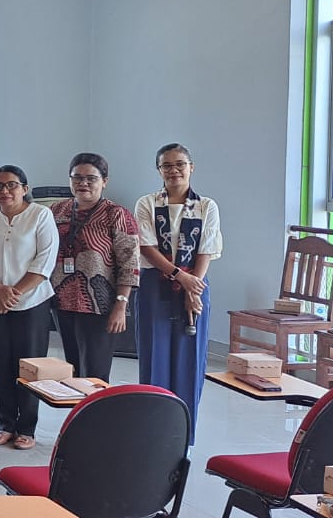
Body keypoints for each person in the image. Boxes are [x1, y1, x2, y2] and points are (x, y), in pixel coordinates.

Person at [134, 143, 221, 443]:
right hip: (156, 284)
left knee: (189, 358)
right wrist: (179, 276)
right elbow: (146, 246)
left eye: (179, 164)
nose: (174, 171)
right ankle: (153, 431)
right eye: (166, 166)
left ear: (191, 167)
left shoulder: (206, 206)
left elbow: (206, 248)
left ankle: (182, 434)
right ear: (158, 170)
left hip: (195, 284)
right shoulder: (147, 203)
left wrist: (192, 286)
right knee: (154, 355)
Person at [0, 165, 59, 451]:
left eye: (11, 185)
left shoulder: (40, 216)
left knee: (29, 367)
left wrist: (13, 293)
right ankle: (6, 425)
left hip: (32, 303)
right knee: (0, 365)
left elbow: (44, 262)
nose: (5, 191)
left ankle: (27, 428)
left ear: (24, 188)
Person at [49, 152, 139, 382]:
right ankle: (77, 416)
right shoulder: (56, 211)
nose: (83, 183)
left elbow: (129, 264)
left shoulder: (116, 214)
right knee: (72, 368)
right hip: (62, 302)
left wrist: (121, 305)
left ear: (104, 181)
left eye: (91, 178)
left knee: (96, 372)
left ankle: (98, 417)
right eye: (76, 177)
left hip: (100, 305)